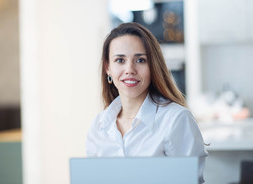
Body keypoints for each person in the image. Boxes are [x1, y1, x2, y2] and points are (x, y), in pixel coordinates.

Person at [86, 22, 208, 183]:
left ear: (153, 66)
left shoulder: (176, 119)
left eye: (140, 60)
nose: (129, 69)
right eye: (120, 60)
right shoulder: (99, 126)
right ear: (108, 67)